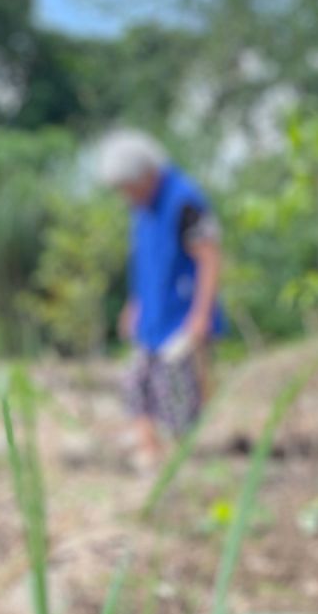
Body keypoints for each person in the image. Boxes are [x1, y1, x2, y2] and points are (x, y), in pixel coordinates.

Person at [95, 129, 226, 466]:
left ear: (147, 174)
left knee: (179, 395)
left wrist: (201, 315)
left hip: (182, 315)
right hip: (153, 313)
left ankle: (185, 461)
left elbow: (209, 257)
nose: (126, 195)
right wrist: (134, 303)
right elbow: (145, 259)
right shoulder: (141, 207)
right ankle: (150, 452)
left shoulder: (185, 201)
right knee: (137, 383)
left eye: (129, 187)